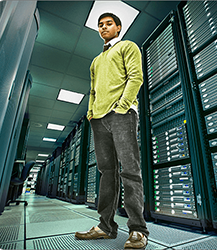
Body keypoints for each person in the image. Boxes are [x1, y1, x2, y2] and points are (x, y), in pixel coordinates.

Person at [75, 12, 149, 249]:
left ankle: (138, 230)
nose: (104, 27)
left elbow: (136, 77)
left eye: (108, 24)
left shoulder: (128, 46)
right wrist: (90, 113)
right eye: (100, 25)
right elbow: (93, 90)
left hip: (122, 116)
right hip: (99, 119)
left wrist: (122, 106)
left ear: (118, 27)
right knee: (107, 172)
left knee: (130, 170)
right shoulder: (95, 61)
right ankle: (105, 227)